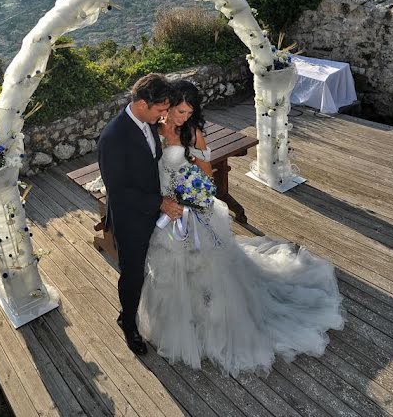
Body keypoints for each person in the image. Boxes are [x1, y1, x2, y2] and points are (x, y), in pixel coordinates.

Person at [138, 79, 344, 375]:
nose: (182, 117)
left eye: (188, 112)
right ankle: (180, 322)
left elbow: (206, 178)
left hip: (193, 211)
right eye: (179, 111)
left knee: (208, 269)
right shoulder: (151, 131)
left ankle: (212, 319)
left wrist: (191, 192)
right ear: (167, 105)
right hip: (163, 210)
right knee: (169, 269)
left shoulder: (193, 134)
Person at [98, 73, 183, 355]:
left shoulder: (148, 124)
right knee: (133, 274)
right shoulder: (113, 137)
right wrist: (159, 202)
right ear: (143, 104)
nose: (164, 115)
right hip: (130, 218)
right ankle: (127, 321)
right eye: (160, 110)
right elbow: (119, 191)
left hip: (154, 209)